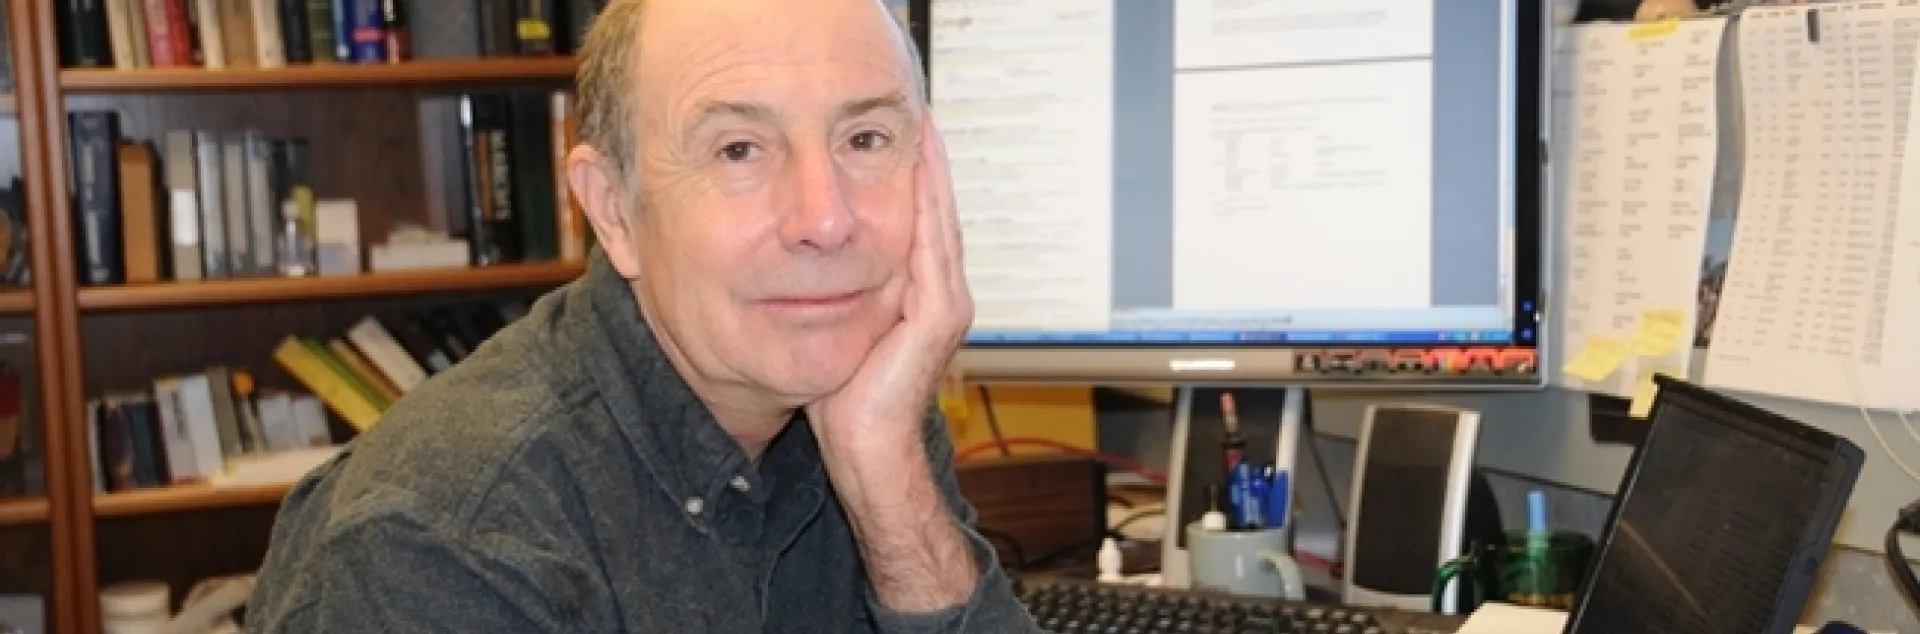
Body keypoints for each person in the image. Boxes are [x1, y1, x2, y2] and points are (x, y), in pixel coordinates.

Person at [242, 0, 1041, 631]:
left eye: (866, 138)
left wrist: (889, 484)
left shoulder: (866, 392)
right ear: (614, 211)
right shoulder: (446, 544)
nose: (824, 219)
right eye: (738, 150)